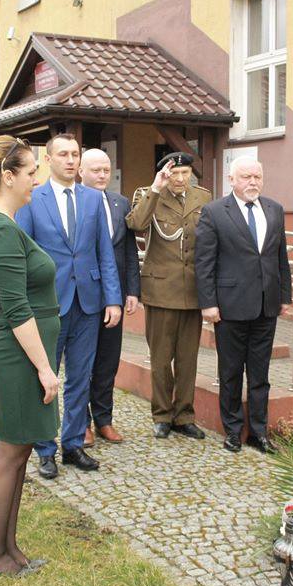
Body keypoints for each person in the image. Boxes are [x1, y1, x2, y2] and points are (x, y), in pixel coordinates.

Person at [0, 134, 61, 576]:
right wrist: (45, 369)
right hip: (22, 354)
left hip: (24, 350)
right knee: (10, 454)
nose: (35, 181)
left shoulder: (1, 224)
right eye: (30, 173)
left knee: (20, 451)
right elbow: (16, 308)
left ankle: (10, 548)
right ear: (7, 176)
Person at [15, 133, 122, 479]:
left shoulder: (93, 200)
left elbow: (105, 253)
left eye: (75, 154)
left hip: (88, 304)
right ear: (48, 160)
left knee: (80, 377)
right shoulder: (32, 199)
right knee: (45, 379)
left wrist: (113, 299)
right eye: (63, 154)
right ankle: (45, 448)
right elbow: (24, 253)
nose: (71, 160)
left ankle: (73, 444)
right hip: (48, 305)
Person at [195, 156, 292, 453]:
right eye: (247, 177)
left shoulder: (274, 209)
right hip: (230, 306)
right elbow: (204, 261)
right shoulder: (214, 212)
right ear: (232, 179)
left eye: (257, 177)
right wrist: (208, 303)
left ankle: (259, 432)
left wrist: (285, 296)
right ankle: (234, 431)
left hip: (266, 305)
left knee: (260, 374)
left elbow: (280, 257)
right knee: (232, 372)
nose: (253, 182)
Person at [126, 152, 211, 440]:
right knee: (161, 358)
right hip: (161, 289)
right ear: (164, 174)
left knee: (188, 359)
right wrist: (155, 188)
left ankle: (184, 415)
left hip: (192, 290)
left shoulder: (203, 198)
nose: (179, 179)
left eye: (185, 173)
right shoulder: (148, 195)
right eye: (174, 173)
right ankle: (162, 415)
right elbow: (136, 224)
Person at [78, 149, 140, 446]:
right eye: (96, 170)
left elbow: (129, 250)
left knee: (107, 362)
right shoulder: (74, 202)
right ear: (81, 172)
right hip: (84, 296)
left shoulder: (120, 203)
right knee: (82, 363)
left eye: (106, 169)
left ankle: (104, 420)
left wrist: (132, 291)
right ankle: (82, 423)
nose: (102, 175)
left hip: (114, 297)